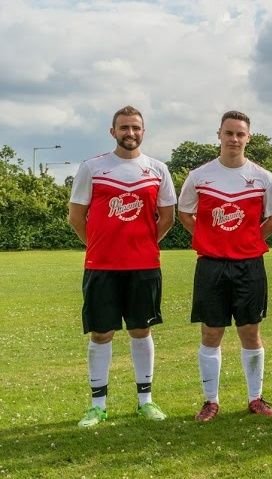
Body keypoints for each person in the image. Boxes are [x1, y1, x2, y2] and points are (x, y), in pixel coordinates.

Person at [68, 105, 176, 427]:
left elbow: (167, 218)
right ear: (112, 131)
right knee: (101, 333)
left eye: (136, 128)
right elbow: (76, 216)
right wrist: (98, 246)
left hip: (143, 265)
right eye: (124, 127)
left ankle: (146, 401)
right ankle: (97, 405)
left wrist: (142, 245)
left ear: (143, 131)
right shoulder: (93, 168)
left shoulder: (158, 169)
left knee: (141, 331)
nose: (130, 133)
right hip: (102, 265)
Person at [178, 110, 272, 421]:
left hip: (249, 265)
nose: (234, 139)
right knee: (211, 333)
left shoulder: (263, 177)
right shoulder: (200, 175)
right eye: (229, 133)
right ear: (219, 135)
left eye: (240, 134)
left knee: (250, 332)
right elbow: (186, 213)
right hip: (211, 265)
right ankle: (210, 401)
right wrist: (210, 238)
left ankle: (255, 398)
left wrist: (248, 238)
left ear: (248, 137)